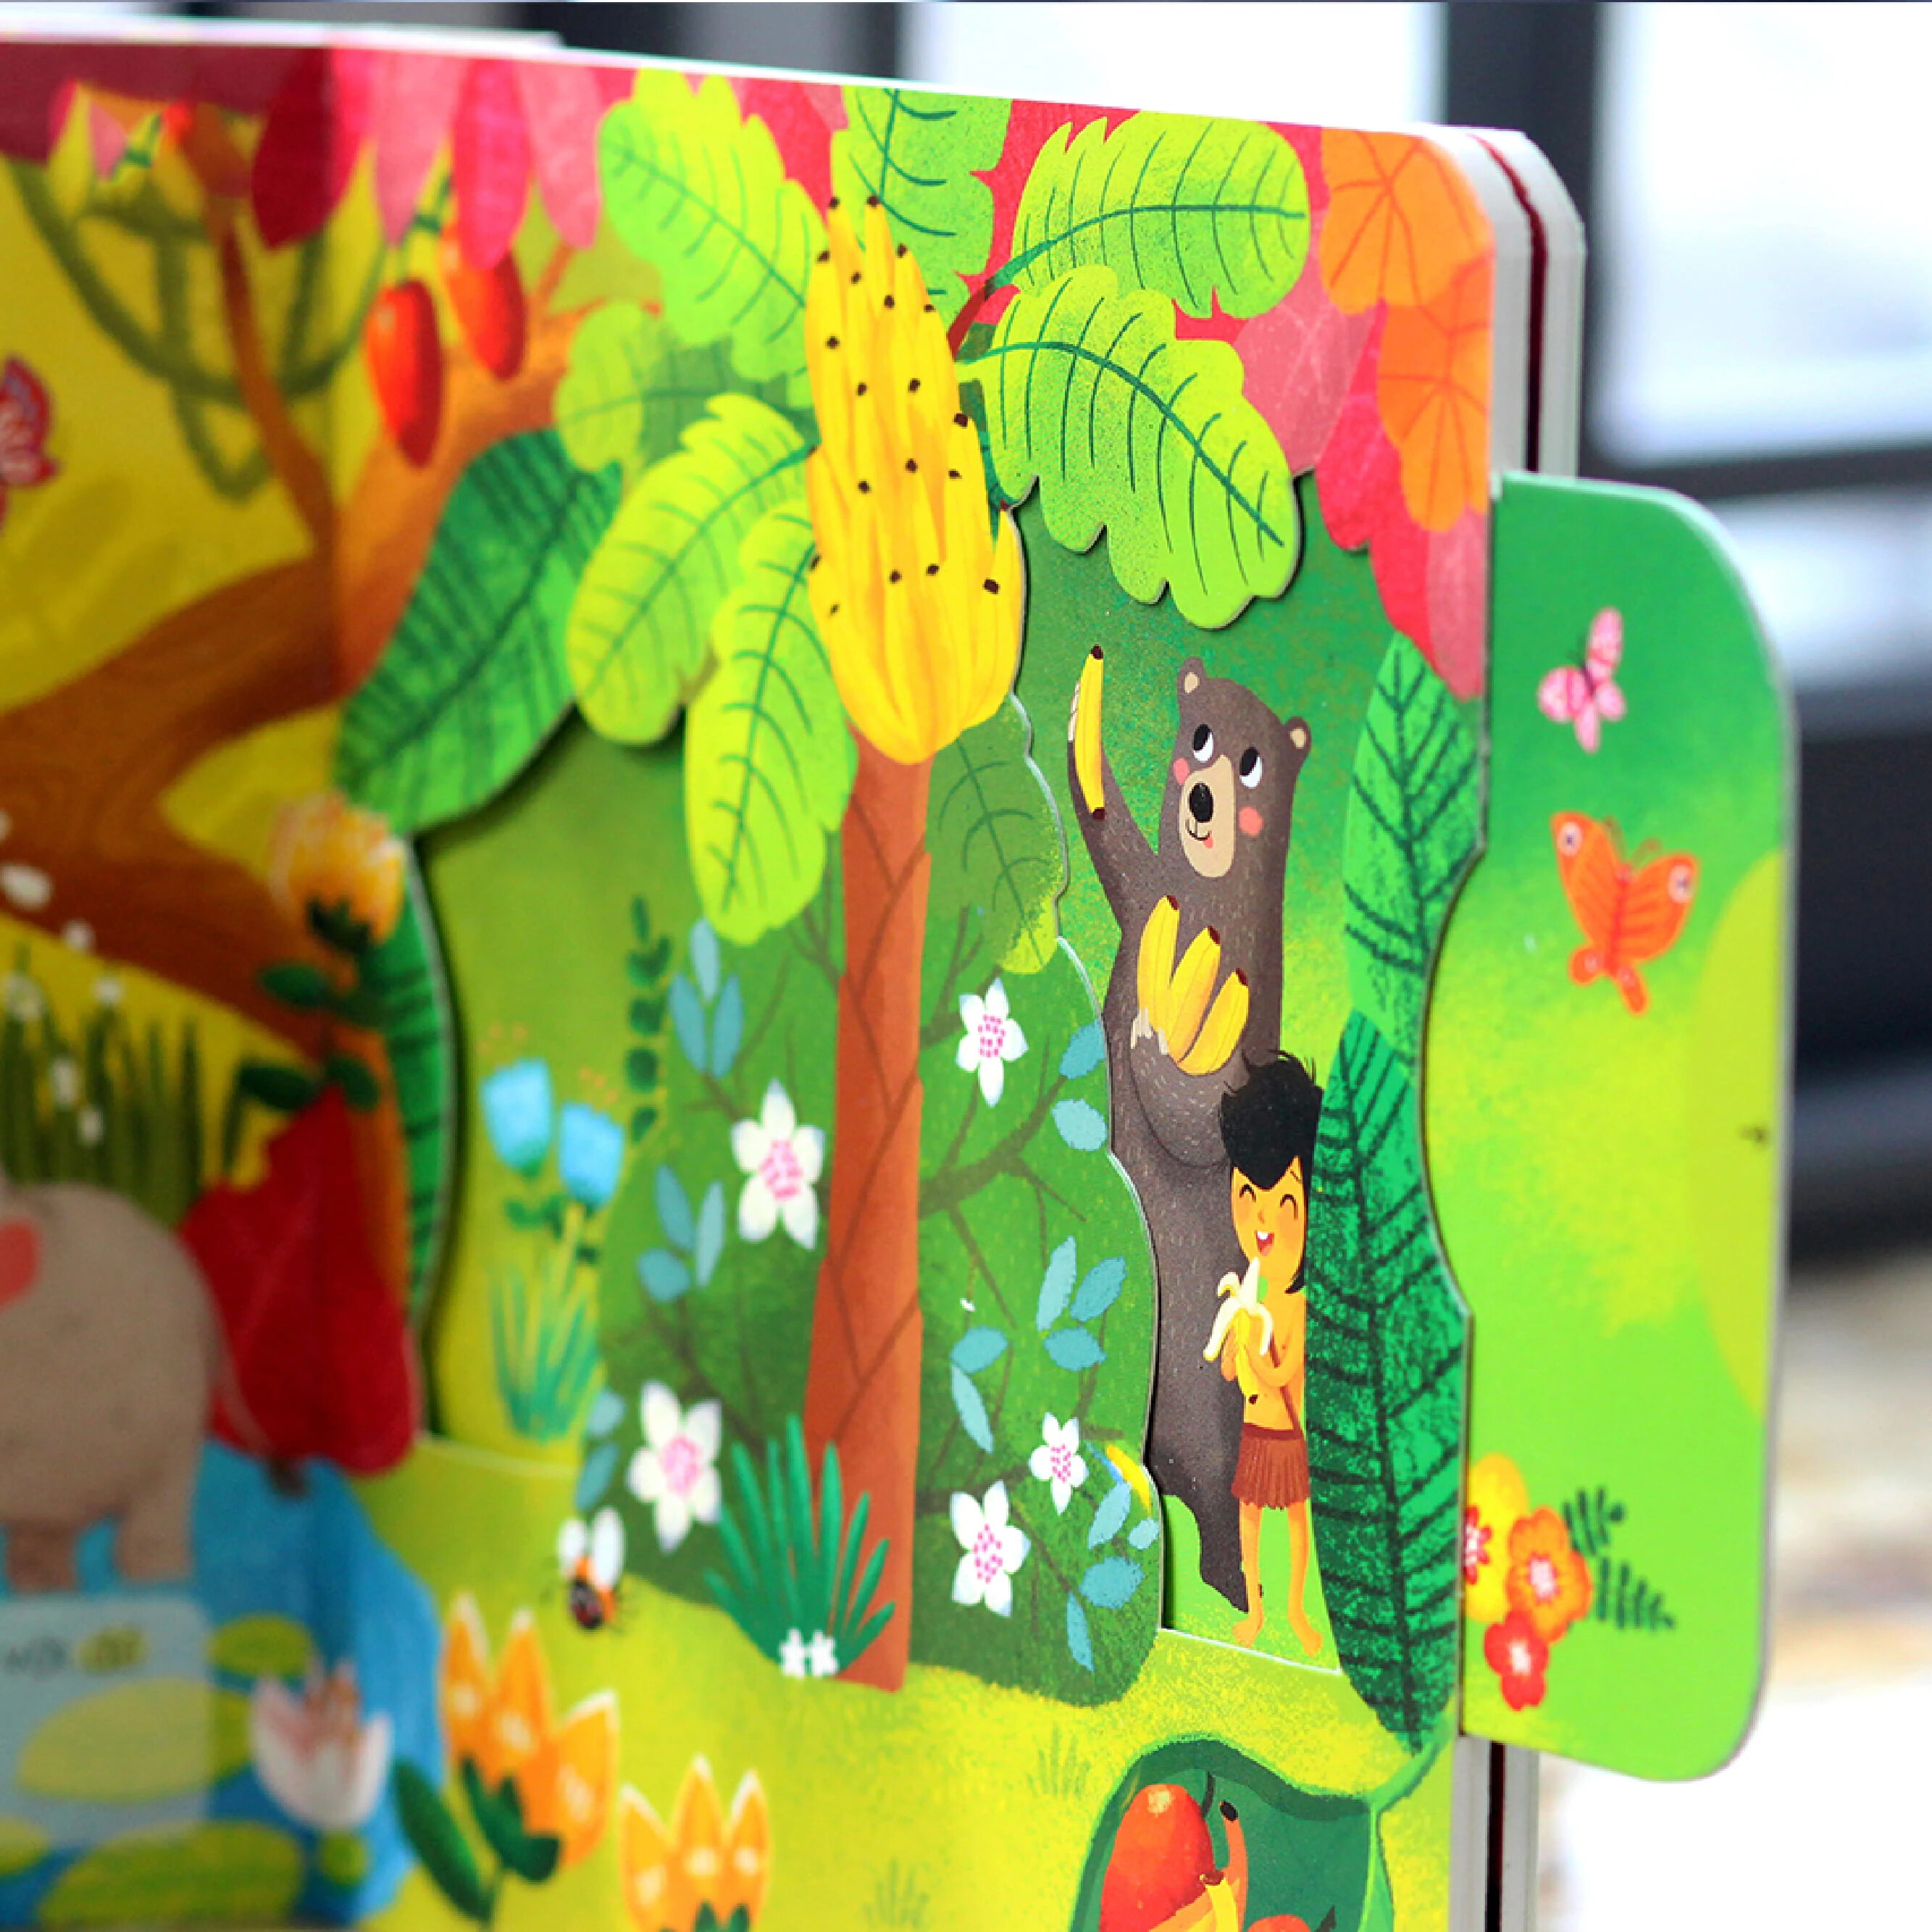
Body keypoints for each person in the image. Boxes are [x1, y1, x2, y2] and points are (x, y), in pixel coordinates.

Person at [1209, 1054, 1323, 1652]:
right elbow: (1233, 1372)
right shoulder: (1250, 1291)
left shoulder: (1296, 1304)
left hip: (1288, 1436)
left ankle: (1296, 1609)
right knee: (1249, 1518)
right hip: (1255, 1431)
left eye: (1282, 1200)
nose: (1261, 1216)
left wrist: (1255, 1349)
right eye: (1247, 1192)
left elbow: (1282, 1371)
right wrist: (1233, 1341)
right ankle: (1255, 1611)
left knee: (1297, 1518)